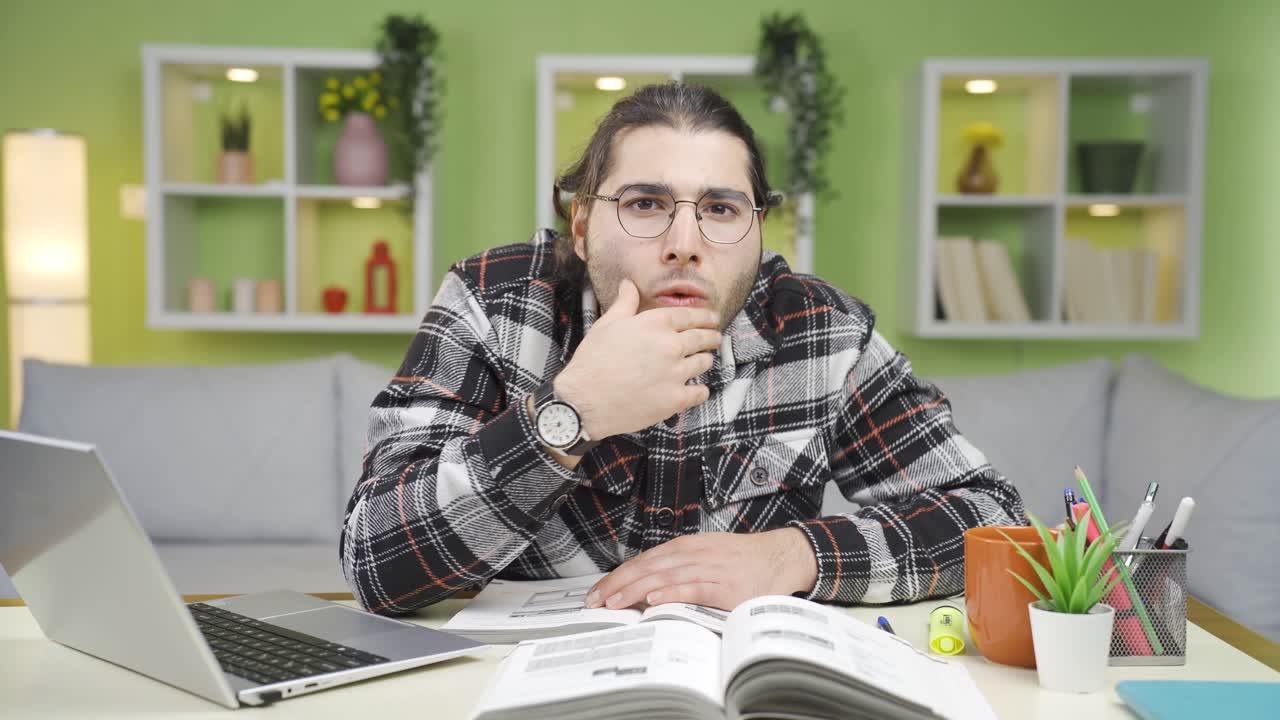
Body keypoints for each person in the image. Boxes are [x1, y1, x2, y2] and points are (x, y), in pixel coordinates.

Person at [340, 82, 1025, 616]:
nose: (685, 242)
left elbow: (995, 521)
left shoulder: (824, 332)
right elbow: (374, 558)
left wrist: (793, 556)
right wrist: (568, 414)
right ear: (581, 224)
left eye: (721, 209)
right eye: (644, 203)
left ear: (758, 232)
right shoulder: (494, 303)